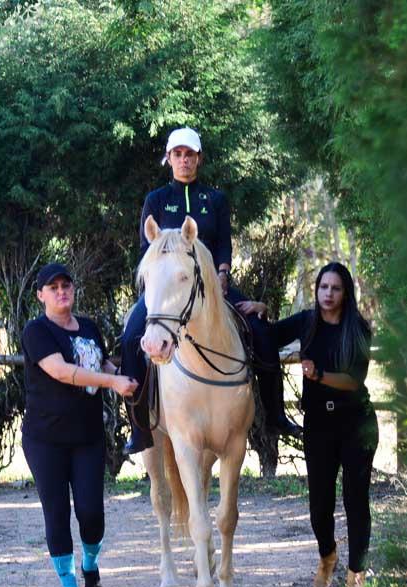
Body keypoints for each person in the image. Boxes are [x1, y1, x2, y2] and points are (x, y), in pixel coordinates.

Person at [120, 127, 301, 455]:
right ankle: (139, 428)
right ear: (169, 158)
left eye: (190, 154)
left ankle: (274, 415)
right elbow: (146, 251)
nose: (184, 160)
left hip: (213, 286)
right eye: (178, 154)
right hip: (166, 291)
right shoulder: (156, 200)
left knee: (260, 330)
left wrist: (222, 275)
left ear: (199, 158)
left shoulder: (215, 199)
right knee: (131, 336)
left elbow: (224, 245)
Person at [237, 262, 378, 587]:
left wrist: (317, 376)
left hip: (356, 423)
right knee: (319, 506)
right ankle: (328, 557)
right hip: (319, 426)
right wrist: (261, 312)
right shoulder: (307, 322)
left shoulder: (357, 328)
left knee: (355, 502)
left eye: (335, 288)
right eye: (323, 287)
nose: (327, 294)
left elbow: (353, 380)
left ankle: (355, 578)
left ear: (346, 294)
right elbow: (268, 338)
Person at [21, 262, 139, 587]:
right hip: (45, 440)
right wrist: (112, 384)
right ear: (41, 294)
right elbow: (62, 372)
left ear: (73, 290)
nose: (61, 291)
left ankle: (90, 566)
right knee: (57, 513)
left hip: (87, 437)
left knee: (90, 512)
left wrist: (126, 378)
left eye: (66, 285)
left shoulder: (89, 327)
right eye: (52, 287)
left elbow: (100, 364)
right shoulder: (36, 331)